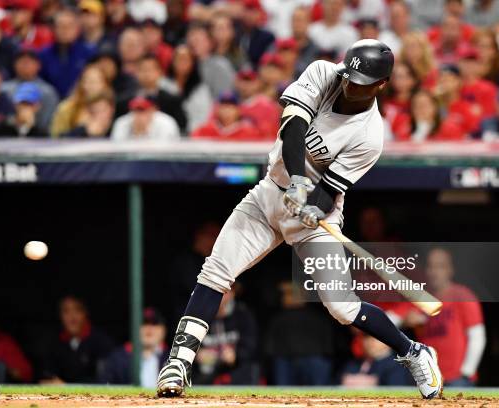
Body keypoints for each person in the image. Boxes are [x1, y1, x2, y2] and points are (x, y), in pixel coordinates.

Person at [156, 39, 443, 400]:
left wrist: (313, 207)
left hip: (315, 216)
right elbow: (293, 127)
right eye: (349, 76)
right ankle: (179, 363)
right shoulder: (324, 72)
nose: (349, 84)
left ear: (381, 85)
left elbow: (330, 189)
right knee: (215, 271)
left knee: (342, 308)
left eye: (359, 82)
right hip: (269, 193)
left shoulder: (370, 136)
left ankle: (412, 352)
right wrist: (297, 180)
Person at [403, 248, 486, 387]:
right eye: (431, 266)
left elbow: (477, 336)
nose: (434, 272)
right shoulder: (421, 298)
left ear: (450, 270)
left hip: (457, 379)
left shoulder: (463, 295)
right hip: (427, 378)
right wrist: (407, 321)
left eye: (440, 266)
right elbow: (396, 320)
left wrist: (466, 372)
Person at [265, 282, 336, 385]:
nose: (287, 297)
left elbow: (328, 342)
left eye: (292, 293)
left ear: (304, 294)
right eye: (286, 294)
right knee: (284, 396)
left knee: (318, 395)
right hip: (285, 360)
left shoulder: (318, 317)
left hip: (314, 360)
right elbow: (270, 345)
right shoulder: (278, 319)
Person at [41, 295, 114, 384]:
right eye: (66, 311)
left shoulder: (101, 342)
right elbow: (47, 377)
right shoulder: (54, 342)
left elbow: (105, 381)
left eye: (77, 310)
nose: (72, 317)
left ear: (85, 313)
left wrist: (68, 388)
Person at [193, 287, 258, 385]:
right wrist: (196, 354)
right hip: (205, 376)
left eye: (224, 293)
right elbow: (185, 342)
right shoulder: (198, 316)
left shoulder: (242, 314)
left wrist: (236, 354)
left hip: (239, 374)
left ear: (232, 294)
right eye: (215, 293)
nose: (220, 298)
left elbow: (252, 345)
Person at [98, 307, 169, 386]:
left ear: (163, 330)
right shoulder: (117, 359)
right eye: (144, 323)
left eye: (154, 324)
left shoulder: (174, 358)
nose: (149, 329)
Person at [38, 8, 97, 98]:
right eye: (61, 26)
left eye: (69, 26)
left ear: (77, 29)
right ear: (54, 29)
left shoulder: (89, 53)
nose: (65, 30)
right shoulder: (44, 54)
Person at [1, 48, 60, 133]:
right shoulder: (3, 89)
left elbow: (49, 123)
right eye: (21, 61)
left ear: (38, 65)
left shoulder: (48, 92)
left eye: (29, 61)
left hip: (40, 136)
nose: (25, 64)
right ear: (14, 64)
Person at [50, 64, 111, 137]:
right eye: (86, 81)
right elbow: (56, 137)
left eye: (94, 82)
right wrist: (83, 130)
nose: (89, 86)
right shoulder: (67, 107)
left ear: (105, 84)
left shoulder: (111, 105)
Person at [166, 45, 214, 132]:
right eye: (179, 59)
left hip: (192, 136)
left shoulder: (201, 89)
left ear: (193, 63)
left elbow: (203, 116)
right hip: (166, 134)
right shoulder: (163, 85)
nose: (182, 63)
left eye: (186, 59)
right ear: (172, 61)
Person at [135, 54, 186, 131]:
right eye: (143, 70)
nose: (146, 74)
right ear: (136, 73)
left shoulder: (172, 100)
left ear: (160, 72)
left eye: (150, 69)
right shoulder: (126, 101)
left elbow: (182, 126)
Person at [393, 89, 466, 141]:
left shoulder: (451, 129)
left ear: (434, 107)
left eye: (424, 105)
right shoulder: (404, 130)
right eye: (416, 105)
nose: (420, 109)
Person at [186, 22, 235, 98]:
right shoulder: (189, 65)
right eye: (190, 40)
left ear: (210, 43)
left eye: (197, 40)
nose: (193, 44)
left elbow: (224, 95)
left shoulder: (220, 65)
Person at [342, 333, 411, 386]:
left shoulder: (397, 365)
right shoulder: (354, 363)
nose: (371, 342)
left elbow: (397, 394)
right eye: (367, 337)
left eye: (376, 337)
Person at [191, 91, 261, 141]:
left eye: (231, 106)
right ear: (217, 109)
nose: (227, 110)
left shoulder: (249, 132)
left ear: (239, 110)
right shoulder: (205, 130)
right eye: (223, 106)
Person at [91, 47, 137, 117]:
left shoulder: (128, 81)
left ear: (116, 65)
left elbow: (129, 98)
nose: (104, 67)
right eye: (101, 63)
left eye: (108, 63)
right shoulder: (93, 81)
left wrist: (108, 102)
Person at [235, 68, 281, 139]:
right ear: (237, 83)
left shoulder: (268, 106)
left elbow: (271, 133)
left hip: (260, 147)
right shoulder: (230, 104)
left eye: (249, 81)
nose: (246, 85)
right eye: (243, 81)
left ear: (257, 83)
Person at [111, 96, 181, 141]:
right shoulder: (122, 123)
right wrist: (137, 135)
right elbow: (118, 152)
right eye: (136, 110)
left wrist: (144, 133)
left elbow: (165, 152)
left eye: (142, 110)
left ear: (153, 110)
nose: (139, 115)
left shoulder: (166, 123)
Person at [290, 6, 320, 78]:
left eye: (300, 20)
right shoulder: (281, 46)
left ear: (308, 22)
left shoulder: (316, 51)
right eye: (294, 20)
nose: (297, 24)